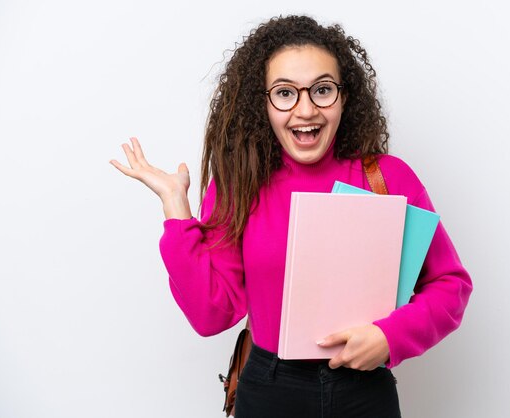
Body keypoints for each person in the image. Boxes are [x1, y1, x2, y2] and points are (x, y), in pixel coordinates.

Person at [110, 15, 472, 418]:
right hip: (270, 389)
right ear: (262, 102)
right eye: (285, 93)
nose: (305, 110)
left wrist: (390, 337)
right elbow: (210, 315)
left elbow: (449, 285)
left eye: (322, 90)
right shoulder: (239, 185)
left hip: (364, 393)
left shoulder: (388, 177)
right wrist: (177, 210)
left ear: (344, 97)